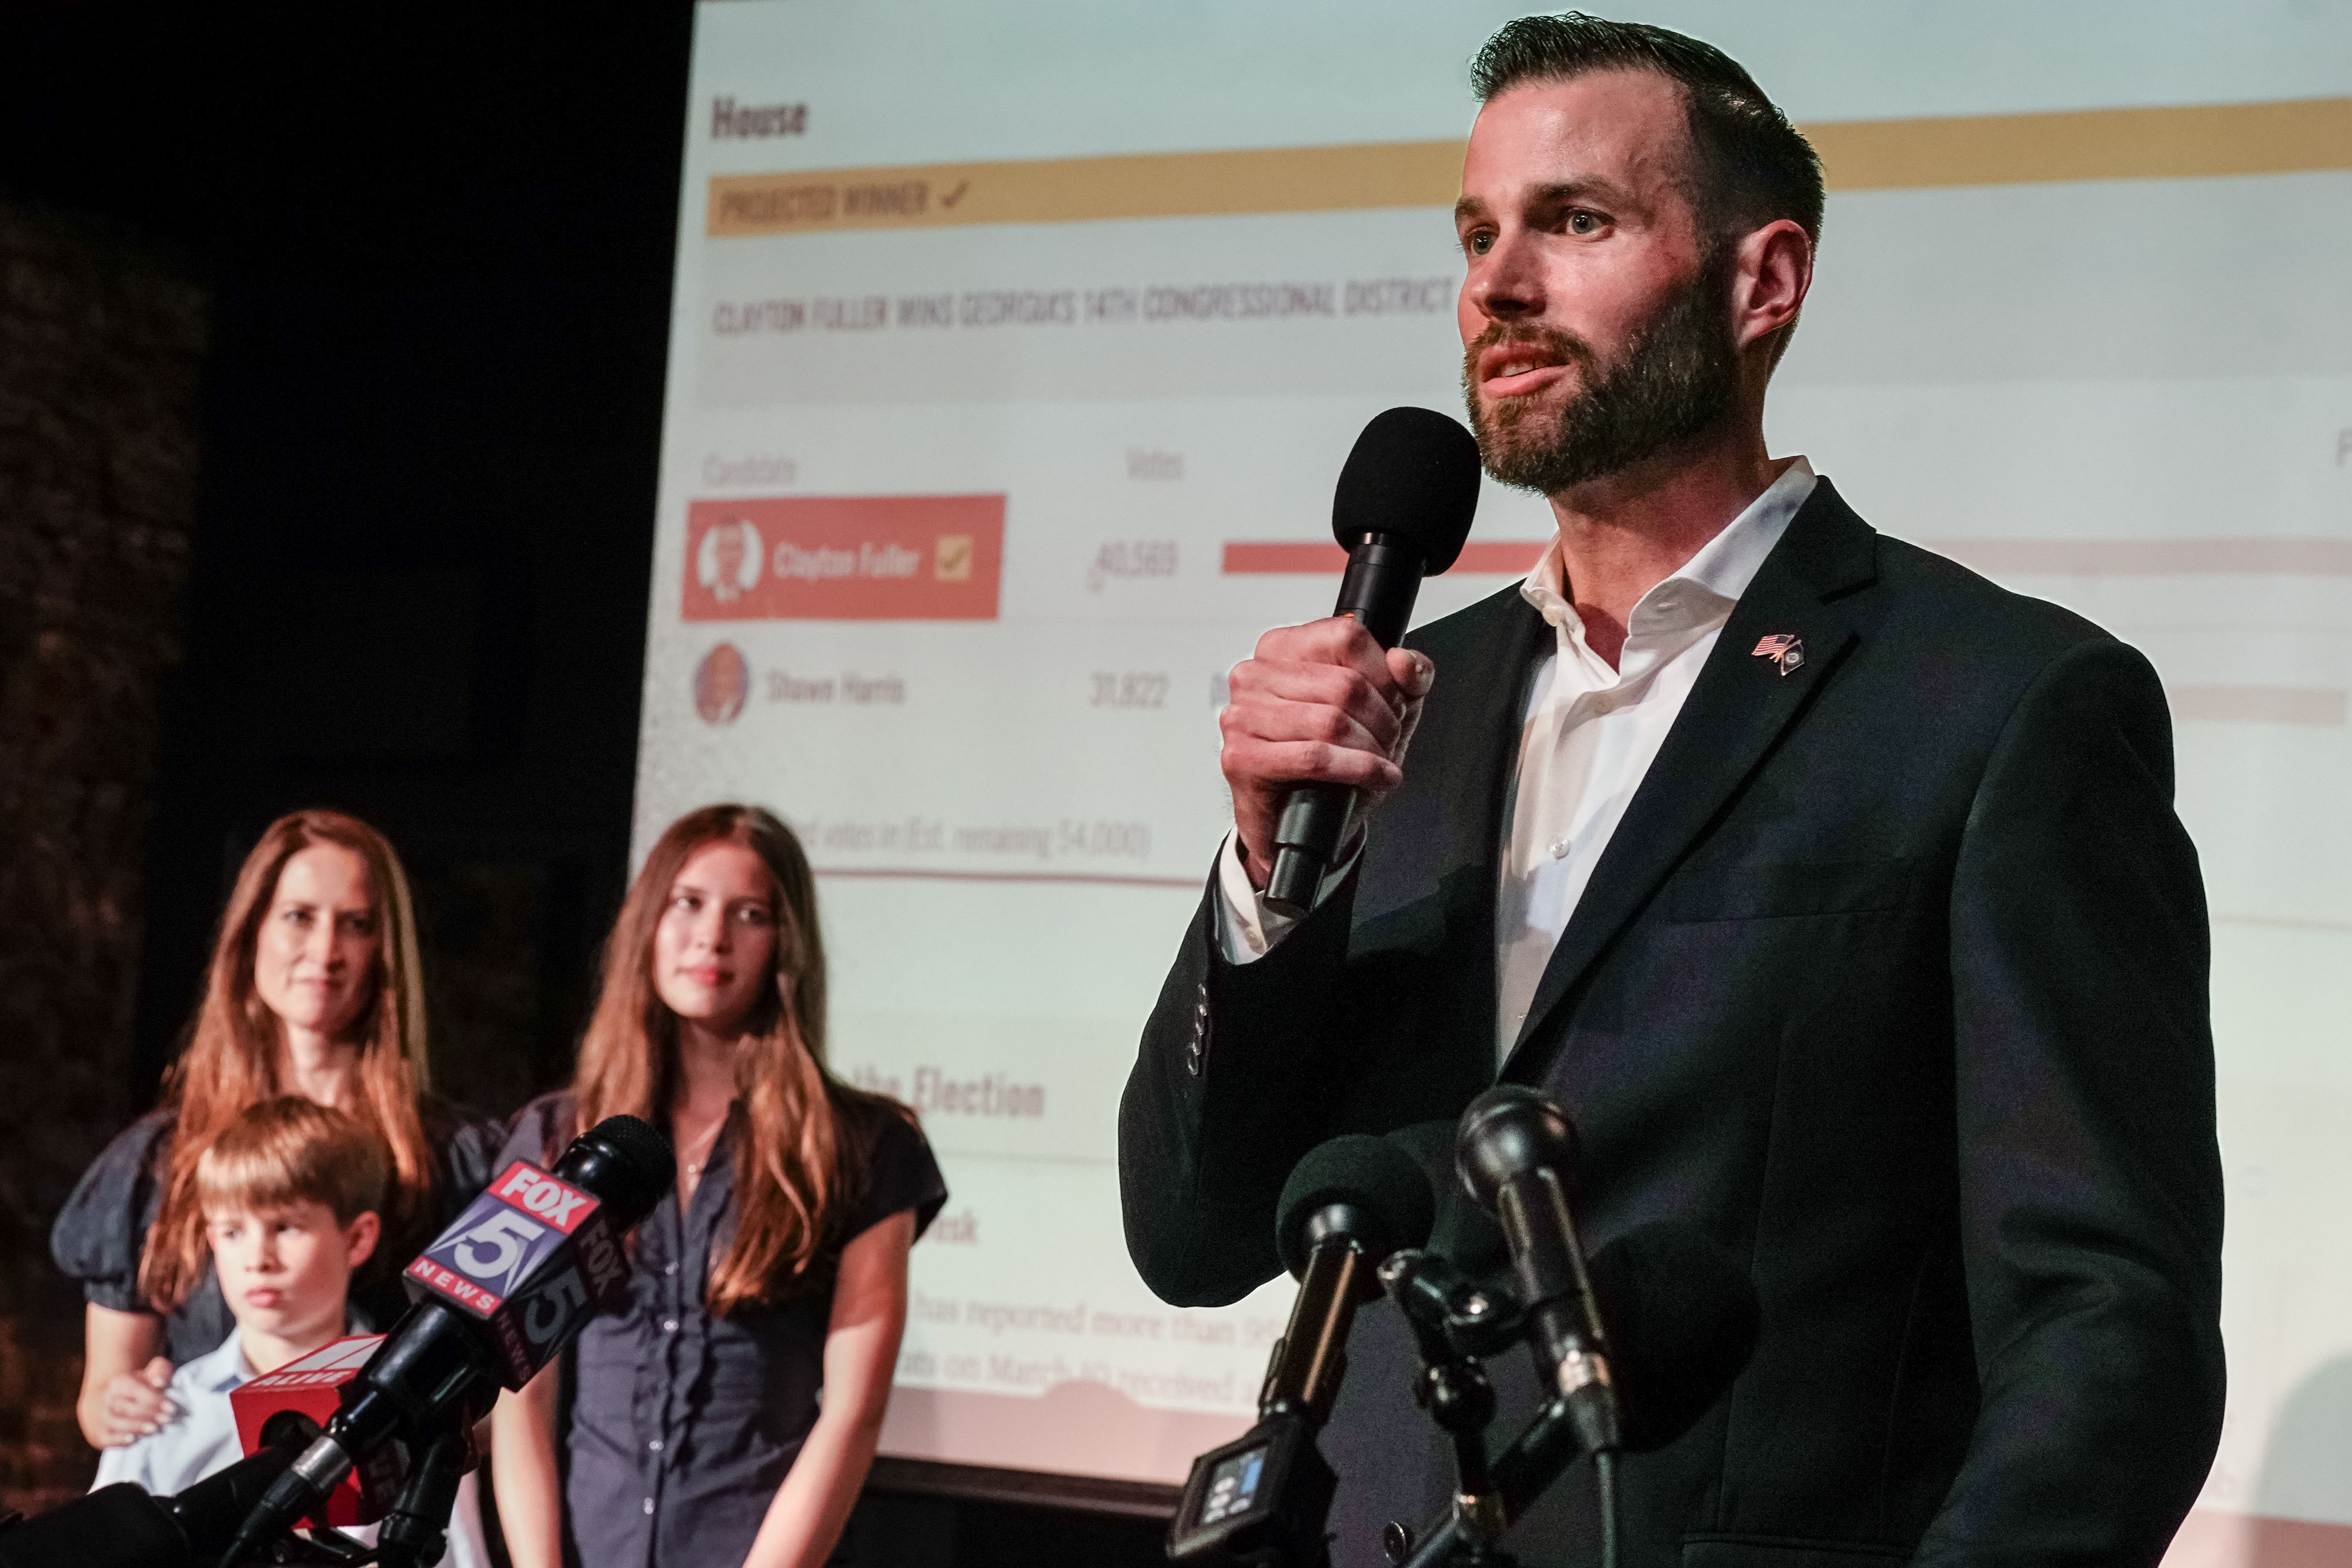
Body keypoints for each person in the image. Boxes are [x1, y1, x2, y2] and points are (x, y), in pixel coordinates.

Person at [1120, 15, 2223, 1568]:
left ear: (1762, 282)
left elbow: (2110, 1323)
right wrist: (1269, 885)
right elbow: (1193, 1235)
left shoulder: (1997, 708)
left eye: (1575, 221)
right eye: (1478, 233)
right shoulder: (1403, 710)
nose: (1498, 283)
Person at [491, 804, 944, 1568]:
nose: (713, 935)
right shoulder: (551, 1136)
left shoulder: (868, 1146)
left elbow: (854, 1414)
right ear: (649, 920)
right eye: (689, 902)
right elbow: (519, 1397)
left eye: (750, 912)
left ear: (784, 942)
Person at [54, 809, 502, 1450]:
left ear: (384, 950)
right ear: (251, 935)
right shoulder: (158, 1160)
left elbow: (495, 1417)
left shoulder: (453, 1162)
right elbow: (101, 1401)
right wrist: (120, 1406)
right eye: (299, 916)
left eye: (356, 925)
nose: (326, 951)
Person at [93, 1096, 490, 1568]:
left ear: (358, 1238)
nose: (257, 1258)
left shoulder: (414, 1408)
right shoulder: (166, 1411)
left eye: (285, 1227)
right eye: (233, 1231)